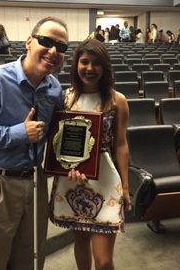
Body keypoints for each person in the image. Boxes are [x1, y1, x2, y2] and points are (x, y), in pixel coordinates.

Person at [0, 16, 69, 270]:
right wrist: (17, 133)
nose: (53, 51)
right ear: (29, 42)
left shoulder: (53, 88)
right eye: (46, 41)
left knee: (30, 261)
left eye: (61, 47)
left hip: (34, 182)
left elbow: (58, 137)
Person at [50, 38, 130, 270]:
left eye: (97, 63)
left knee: (104, 261)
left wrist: (125, 187)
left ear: (105, 67)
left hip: (106, 181)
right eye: (84, 62)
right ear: (76, 65)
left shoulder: (117, 101)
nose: (90, 68)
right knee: (81, 241)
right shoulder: (65, 99)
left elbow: (121, 144)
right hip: (72, 181)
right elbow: (58, 143)